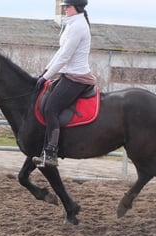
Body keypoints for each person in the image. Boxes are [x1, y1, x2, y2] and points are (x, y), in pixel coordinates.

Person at [32, 0, 96, 167]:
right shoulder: (72, 24)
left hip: (76, 77)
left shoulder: (78, 26)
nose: (65, 9)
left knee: (51, 108)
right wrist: (46, 71)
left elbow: (65, 56)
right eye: (64, 7)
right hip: (68, 74)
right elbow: (60, 52)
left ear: (75, 7)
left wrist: (46, 78)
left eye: (67, 7)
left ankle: (51, 152)